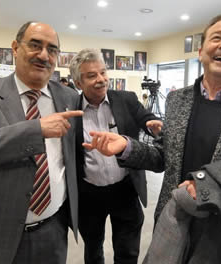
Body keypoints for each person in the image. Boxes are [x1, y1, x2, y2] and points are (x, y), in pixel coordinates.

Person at [83, 14, 221, 263]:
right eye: (217, 37)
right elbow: (164, 156)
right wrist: (128, 147)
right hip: (175, 226)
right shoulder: (177, 100)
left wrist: (211, 186)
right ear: (201, 51)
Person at [0, 21, 83, 264]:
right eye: (35, 45)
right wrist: (35, 130)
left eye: (52, 49)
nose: (43, 55)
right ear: (15, 48)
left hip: (53, 229)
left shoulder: (68, 97)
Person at [69, 48, 162, 264]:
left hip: (125, 189)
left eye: (103, 72)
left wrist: (154, 127)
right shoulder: (70, 108)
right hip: (88, 193)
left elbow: (146, 118)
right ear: (78, 83)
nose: (101, 79)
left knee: (128, 250)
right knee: (93, 249)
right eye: (92, 75)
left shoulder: (125, 99)